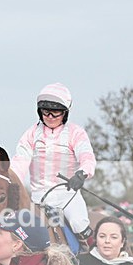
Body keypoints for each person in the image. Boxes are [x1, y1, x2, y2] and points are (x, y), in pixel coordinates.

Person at [11, 83, 97, 243]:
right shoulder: (30, 134)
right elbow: (20, 161)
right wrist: (13, 181)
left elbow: (86, 155)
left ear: (65, 113)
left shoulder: (75, 132)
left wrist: (82, 173)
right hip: (38, 198)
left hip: (67, 196)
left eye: (55, 112)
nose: (50, 117)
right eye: (46, 112)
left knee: (79, 223)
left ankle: (91, 254)